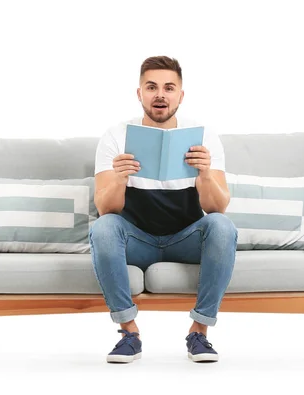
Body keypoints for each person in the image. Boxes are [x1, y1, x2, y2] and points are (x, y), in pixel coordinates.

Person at [90, 56, 238, 363]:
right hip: (137, 241)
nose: (160, 94)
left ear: (180, 95)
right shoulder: (116, 136)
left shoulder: (203, 136)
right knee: (102, 228)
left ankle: (199, 331)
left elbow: (217, 208)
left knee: (224, 227)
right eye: (152, 87)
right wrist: (120, 177)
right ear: (139, 93)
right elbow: (106, 210)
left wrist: (205, 173)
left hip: (185, 239)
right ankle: (129, 333)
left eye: (169, 88)